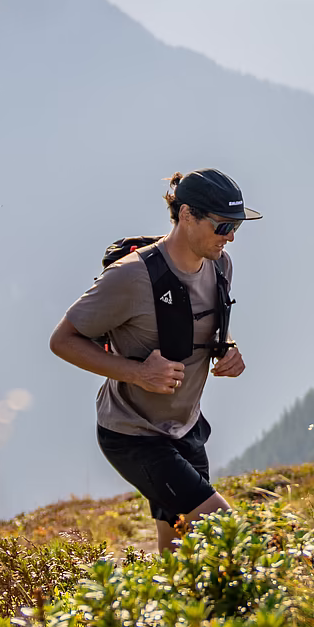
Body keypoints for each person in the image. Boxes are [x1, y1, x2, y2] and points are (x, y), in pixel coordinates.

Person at [49, 168, 257, 551]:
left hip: (186, 428)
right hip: (134, 435)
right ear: (187, 215)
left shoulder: (220, 266)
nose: (230, 239)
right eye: (223, 226)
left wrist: (227, 347)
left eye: (237, 228)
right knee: (224, 532)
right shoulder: (130, 277)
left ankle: (175, 610)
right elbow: (62, 341)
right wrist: (139, 373)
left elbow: (204, 325)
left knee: (178, 547)